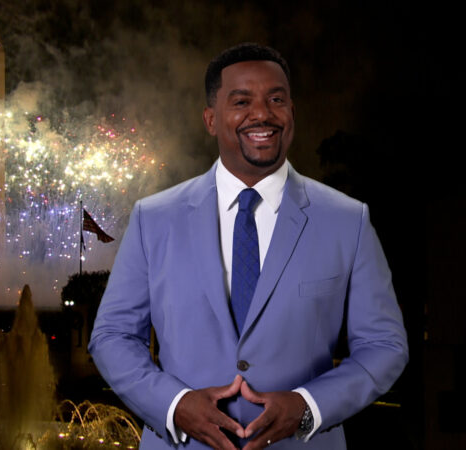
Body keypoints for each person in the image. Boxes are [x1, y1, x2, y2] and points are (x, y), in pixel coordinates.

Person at [88, 43, 408, 450]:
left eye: (276, 99)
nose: (262, 114)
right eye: (242, 101)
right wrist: (174, 405)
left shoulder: (348, 220)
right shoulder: (153, 218)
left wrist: (308, 406)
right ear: (211, 119)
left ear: (292, 112)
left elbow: (384, 346)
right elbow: (112, 336)